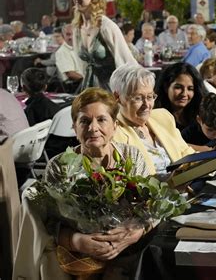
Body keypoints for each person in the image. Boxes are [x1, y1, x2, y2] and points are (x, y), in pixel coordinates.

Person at [43, 87, 152, 269]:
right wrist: (77, 241)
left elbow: (152, 207)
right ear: (74, 127)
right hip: (79, 257)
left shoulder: (131, 157)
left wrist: (136, 233)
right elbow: (47, 222)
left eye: (101, 120)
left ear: (115, 125)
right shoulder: (59, 166)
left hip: (132, 250)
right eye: (84, 121)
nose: (93, 128)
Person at [110, 64, 195, 177]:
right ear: (117, 97)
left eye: (150, 97)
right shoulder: (114, 133)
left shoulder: (163, 117)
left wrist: (212, 159)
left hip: (186, 189)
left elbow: (187, 154)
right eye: (138, 98)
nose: (147, 105)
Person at [72, 0, 137, 91]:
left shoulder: (106, 26)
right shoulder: (77, 28)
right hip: (88, 87)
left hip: (110, 89)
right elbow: (82, 65)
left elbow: (126, 59)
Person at [156, 62, 205, 131]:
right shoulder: (155, 116)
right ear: (166, 87)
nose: (184, 94)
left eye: (190, 89)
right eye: (178, 87)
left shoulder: (201, 115)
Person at [55, 24, 84, 92]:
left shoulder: (80, 48)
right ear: (63, 36)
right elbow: (71, 74)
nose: (71, 37)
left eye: (73, 34)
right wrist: (88, 80)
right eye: (68, 34)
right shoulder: (62, 52)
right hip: (76, 85)